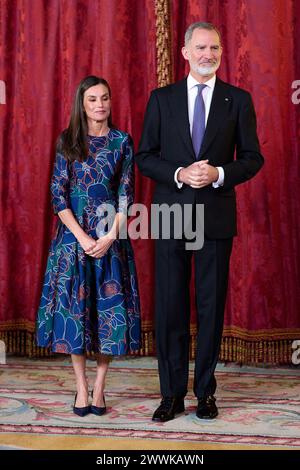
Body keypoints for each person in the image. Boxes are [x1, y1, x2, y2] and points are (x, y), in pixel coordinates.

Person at [136, 22, 264, 422]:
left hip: (215, 217)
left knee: (210, 308)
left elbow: (252, 157)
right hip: (172, 215)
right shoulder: (162, 99)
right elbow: (145, 156)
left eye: (215, 47)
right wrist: (178, 173)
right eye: (201, 47)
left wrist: (218, 174)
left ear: (221, 52)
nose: (209, 54)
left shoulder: (238, 100)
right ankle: (171, 395)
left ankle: (205, 393)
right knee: (171, 307)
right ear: (185, 52)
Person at [36, 75, 140, 417]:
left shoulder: (122, 141)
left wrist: (110, 237)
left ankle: (99, 388)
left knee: (108, 316)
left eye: (105, 98)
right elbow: (58, 195)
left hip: (111, 238)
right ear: (82, 104)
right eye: (93, 99)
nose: (100, 104)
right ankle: (81, 387)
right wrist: (82, 237)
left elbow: (127, 195)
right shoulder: (68, 141)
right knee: (76, 315)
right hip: (72, 241)